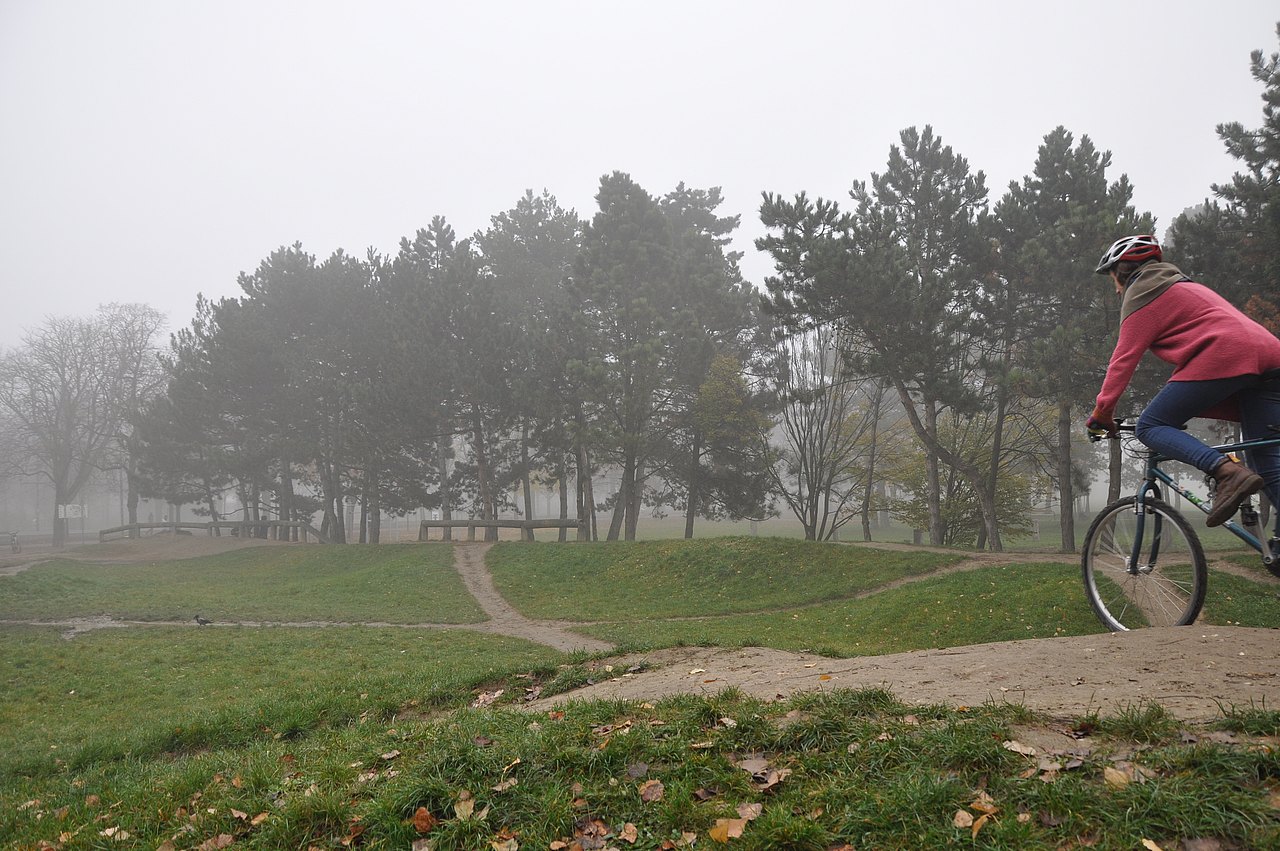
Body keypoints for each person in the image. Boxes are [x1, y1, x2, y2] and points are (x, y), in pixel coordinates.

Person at [1086, 234, 1280, 526]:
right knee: (1267, 465)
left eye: (1114, 279)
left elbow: (1123, 359)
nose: (1116, 290)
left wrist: (1103, 412)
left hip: (1227, 354)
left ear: (1123, 272)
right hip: (1271, 357)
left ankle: (1225, 472)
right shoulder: (1187, 287)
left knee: (1150, 425)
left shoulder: (1143, 293)